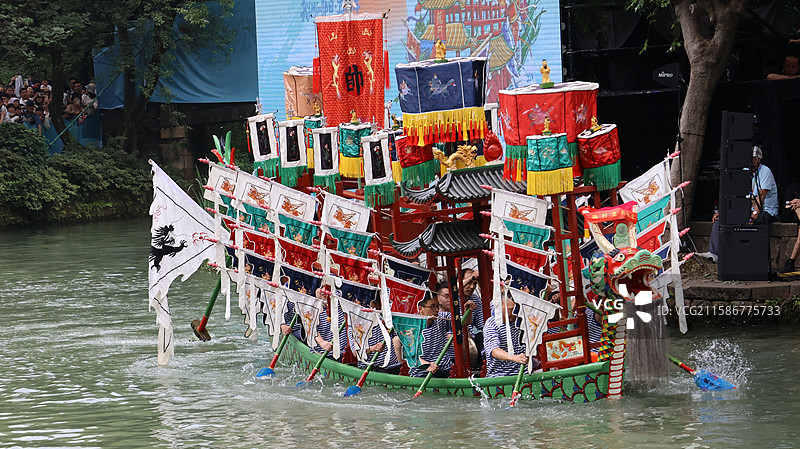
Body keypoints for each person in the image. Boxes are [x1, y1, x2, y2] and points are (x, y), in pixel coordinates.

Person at [483, 292, 538, 377]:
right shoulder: (492, 324)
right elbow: (494, 350)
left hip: (524, 374)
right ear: (501, 305)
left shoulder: (521, 320)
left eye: (517, 309)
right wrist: (513, 357)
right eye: (511, 309)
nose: (514, 313)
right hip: (500, 376)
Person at [408, 293, 453, 378]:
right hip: (422, 372)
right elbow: (409, 354)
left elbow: (463, 322)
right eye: (432, 306)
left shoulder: (441, 316)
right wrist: (426, 365)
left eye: (437, 306)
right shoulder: (411, 325)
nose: (436, 310)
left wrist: (466, 311)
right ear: (420, 308)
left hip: (445, 368)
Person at [750, 146, 778, 224]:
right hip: (752, 209)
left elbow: (762, 194)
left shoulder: (765, 171)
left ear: (758, 159)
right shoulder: (749, 172)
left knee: (757, 221)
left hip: (767, 211)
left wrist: (755, 213)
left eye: (753, 158)